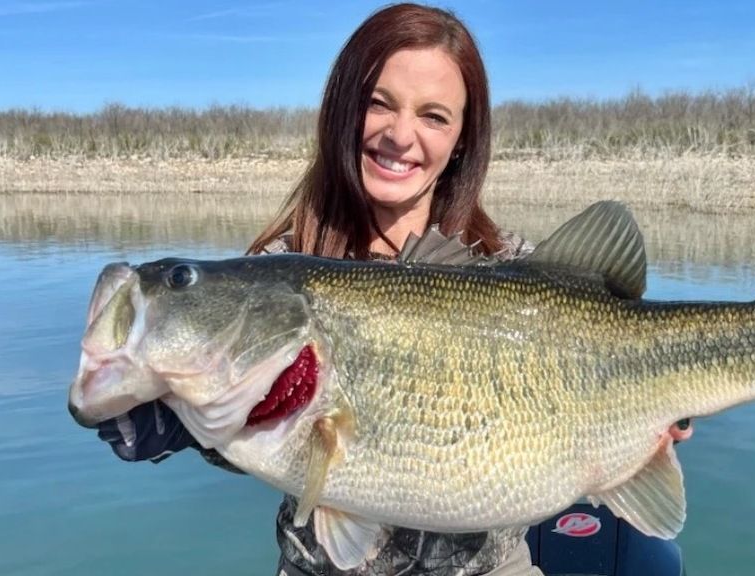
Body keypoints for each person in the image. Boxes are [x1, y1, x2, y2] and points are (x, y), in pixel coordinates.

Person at [94, 4, 693, 575]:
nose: (401, 136)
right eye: (379, 104)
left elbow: (632, 354)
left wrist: (665, 404)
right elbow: (254, 426)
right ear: (343, 111)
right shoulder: (278, 270)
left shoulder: (512, 267)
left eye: (434, 116)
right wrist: (163, 411)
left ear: (462, 137)